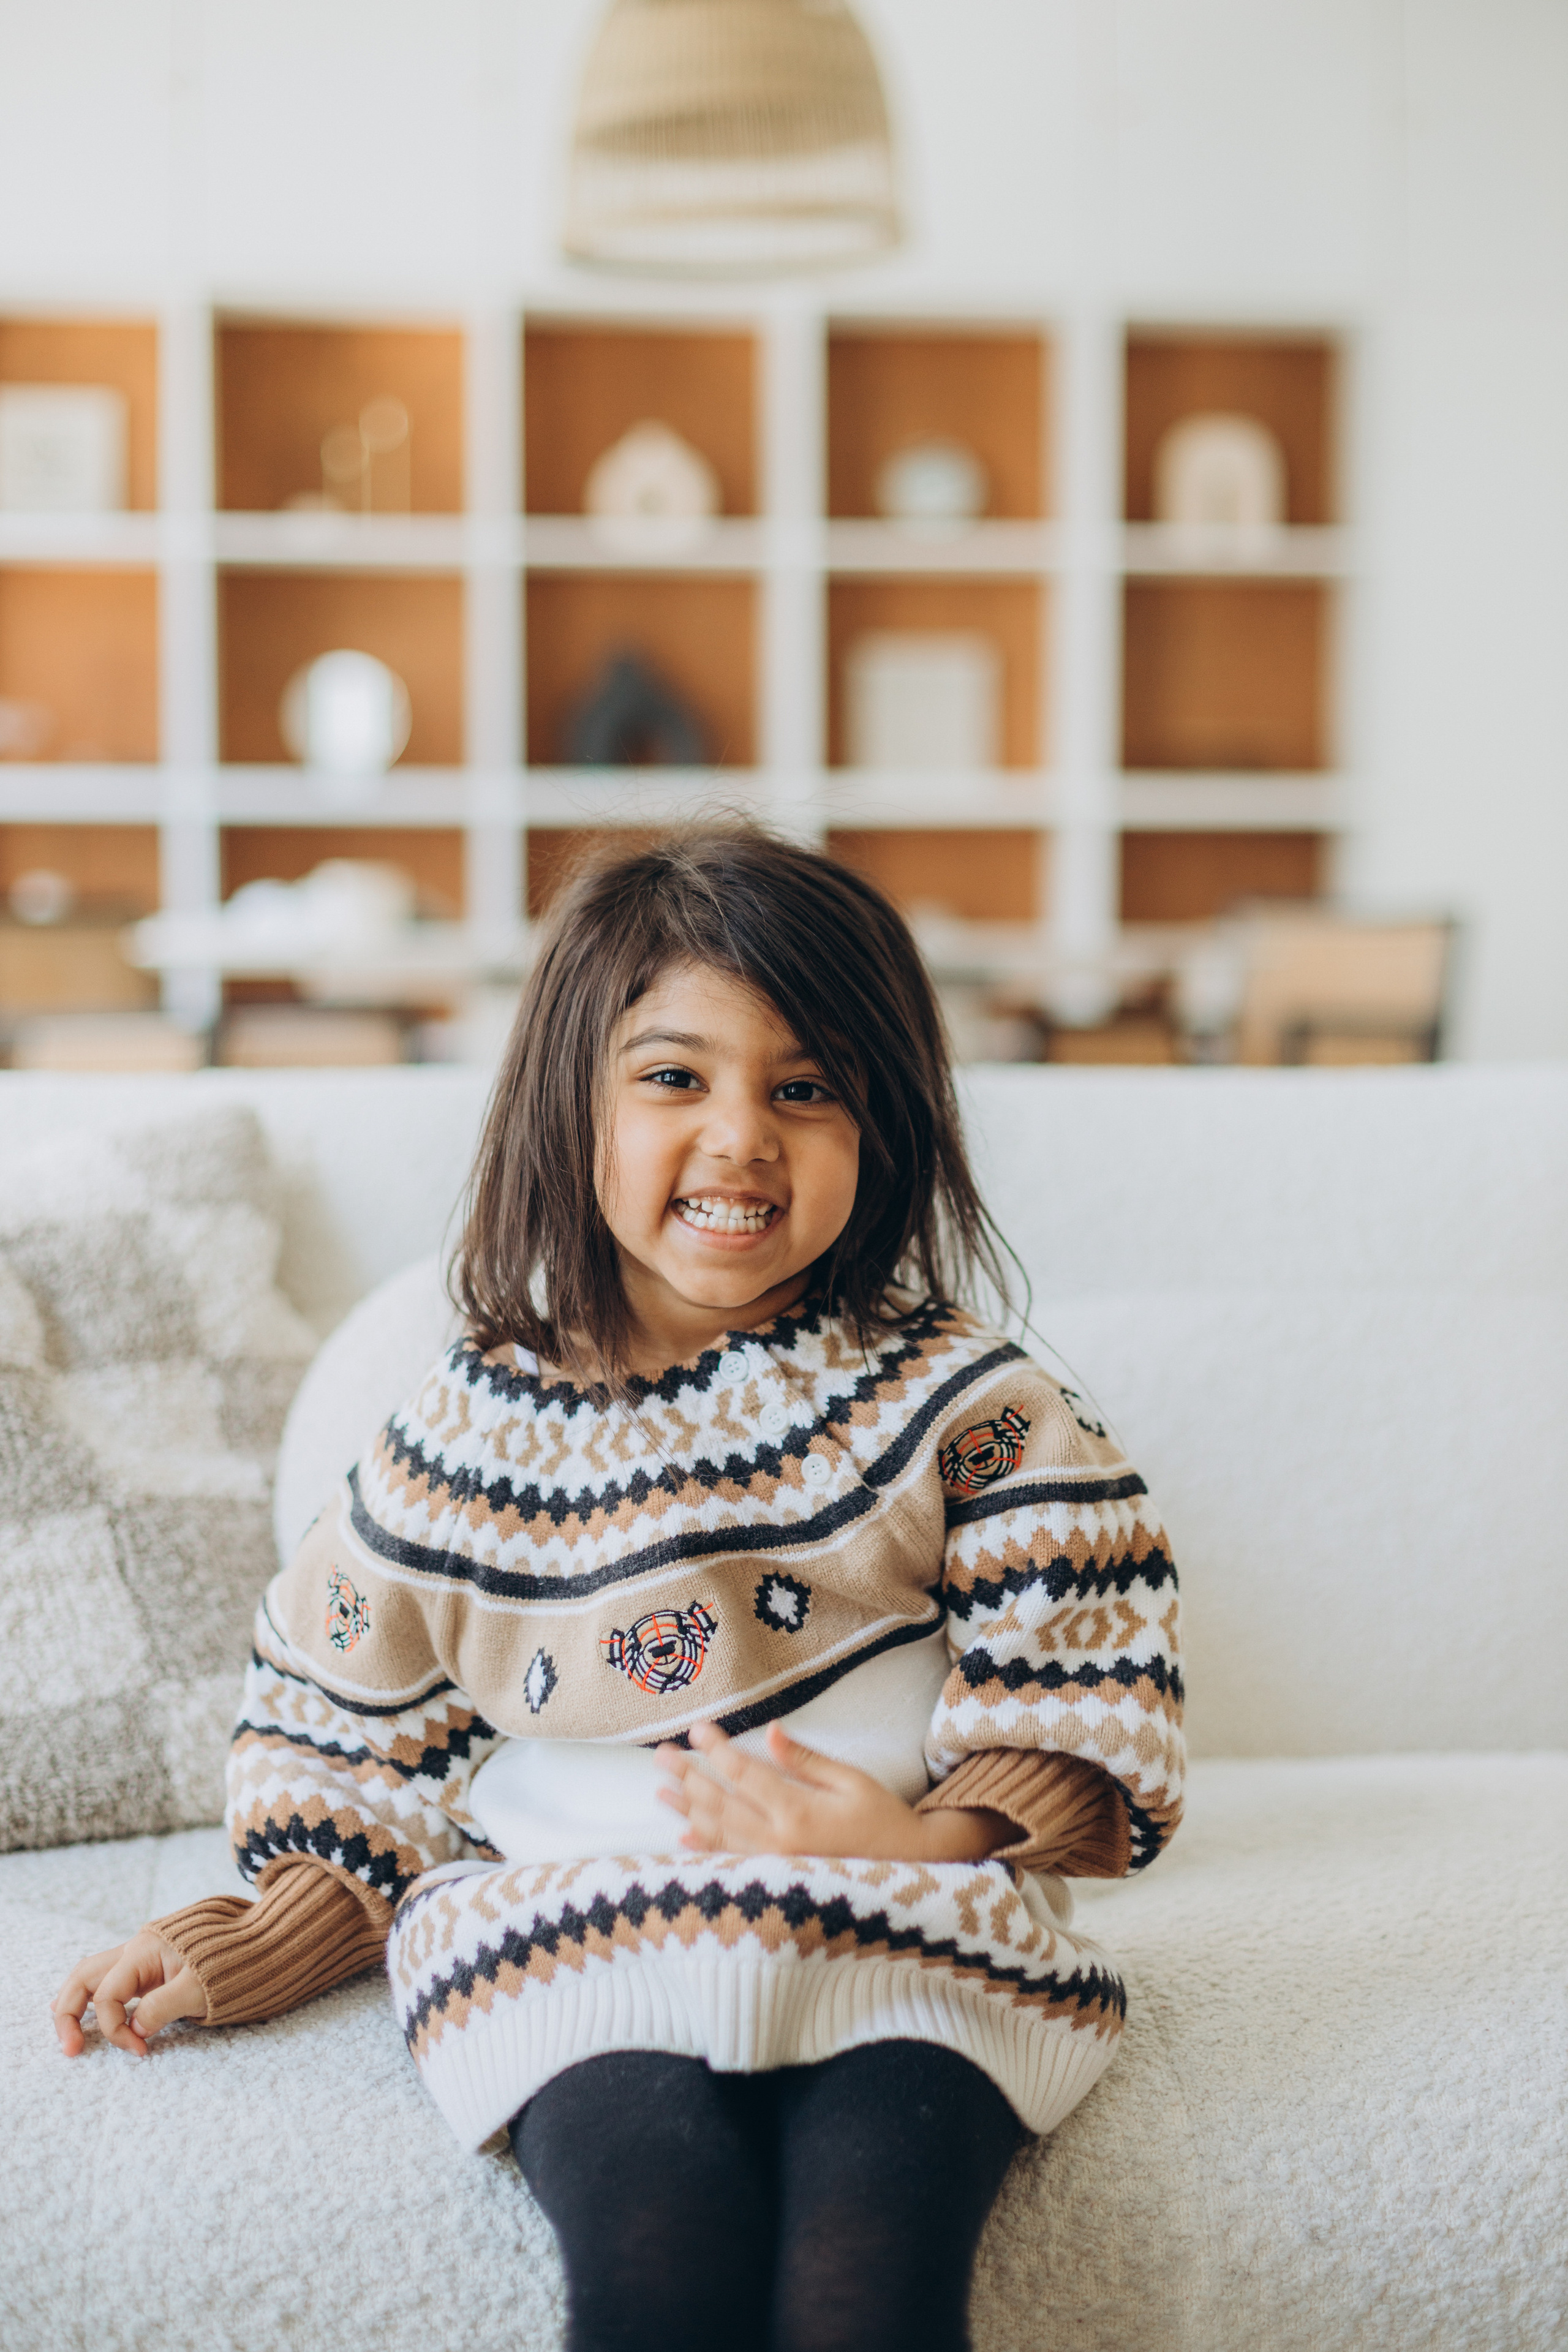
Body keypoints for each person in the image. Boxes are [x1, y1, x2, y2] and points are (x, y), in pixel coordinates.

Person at [53, 826, 1184, 2352]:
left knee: (868, 2287)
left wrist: (927, 1835)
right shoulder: (461, 1440)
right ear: (566, 1108)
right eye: (673, 1078)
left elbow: (1084, 1653)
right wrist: (235, 1948)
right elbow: (355, 1742)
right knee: (657, 2271)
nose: (741, 1138)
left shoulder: (963, 1402)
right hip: (573, 1940)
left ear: (889, 1123)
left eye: (807, 1088)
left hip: (905, 1922)